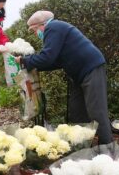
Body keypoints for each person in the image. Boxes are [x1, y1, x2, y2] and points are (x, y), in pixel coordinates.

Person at [15, 10, 113, 144]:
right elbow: (56, 61)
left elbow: (47, 57)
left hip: (91, 68)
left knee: (97, 113)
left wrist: (24, 61)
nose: (35, 34)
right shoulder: (56, 29)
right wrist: (31, 66)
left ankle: (108, 149)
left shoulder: (53, 27)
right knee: (77, 112)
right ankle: (81, 147)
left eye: (34, 30)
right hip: (79, 74)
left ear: (41, 25)